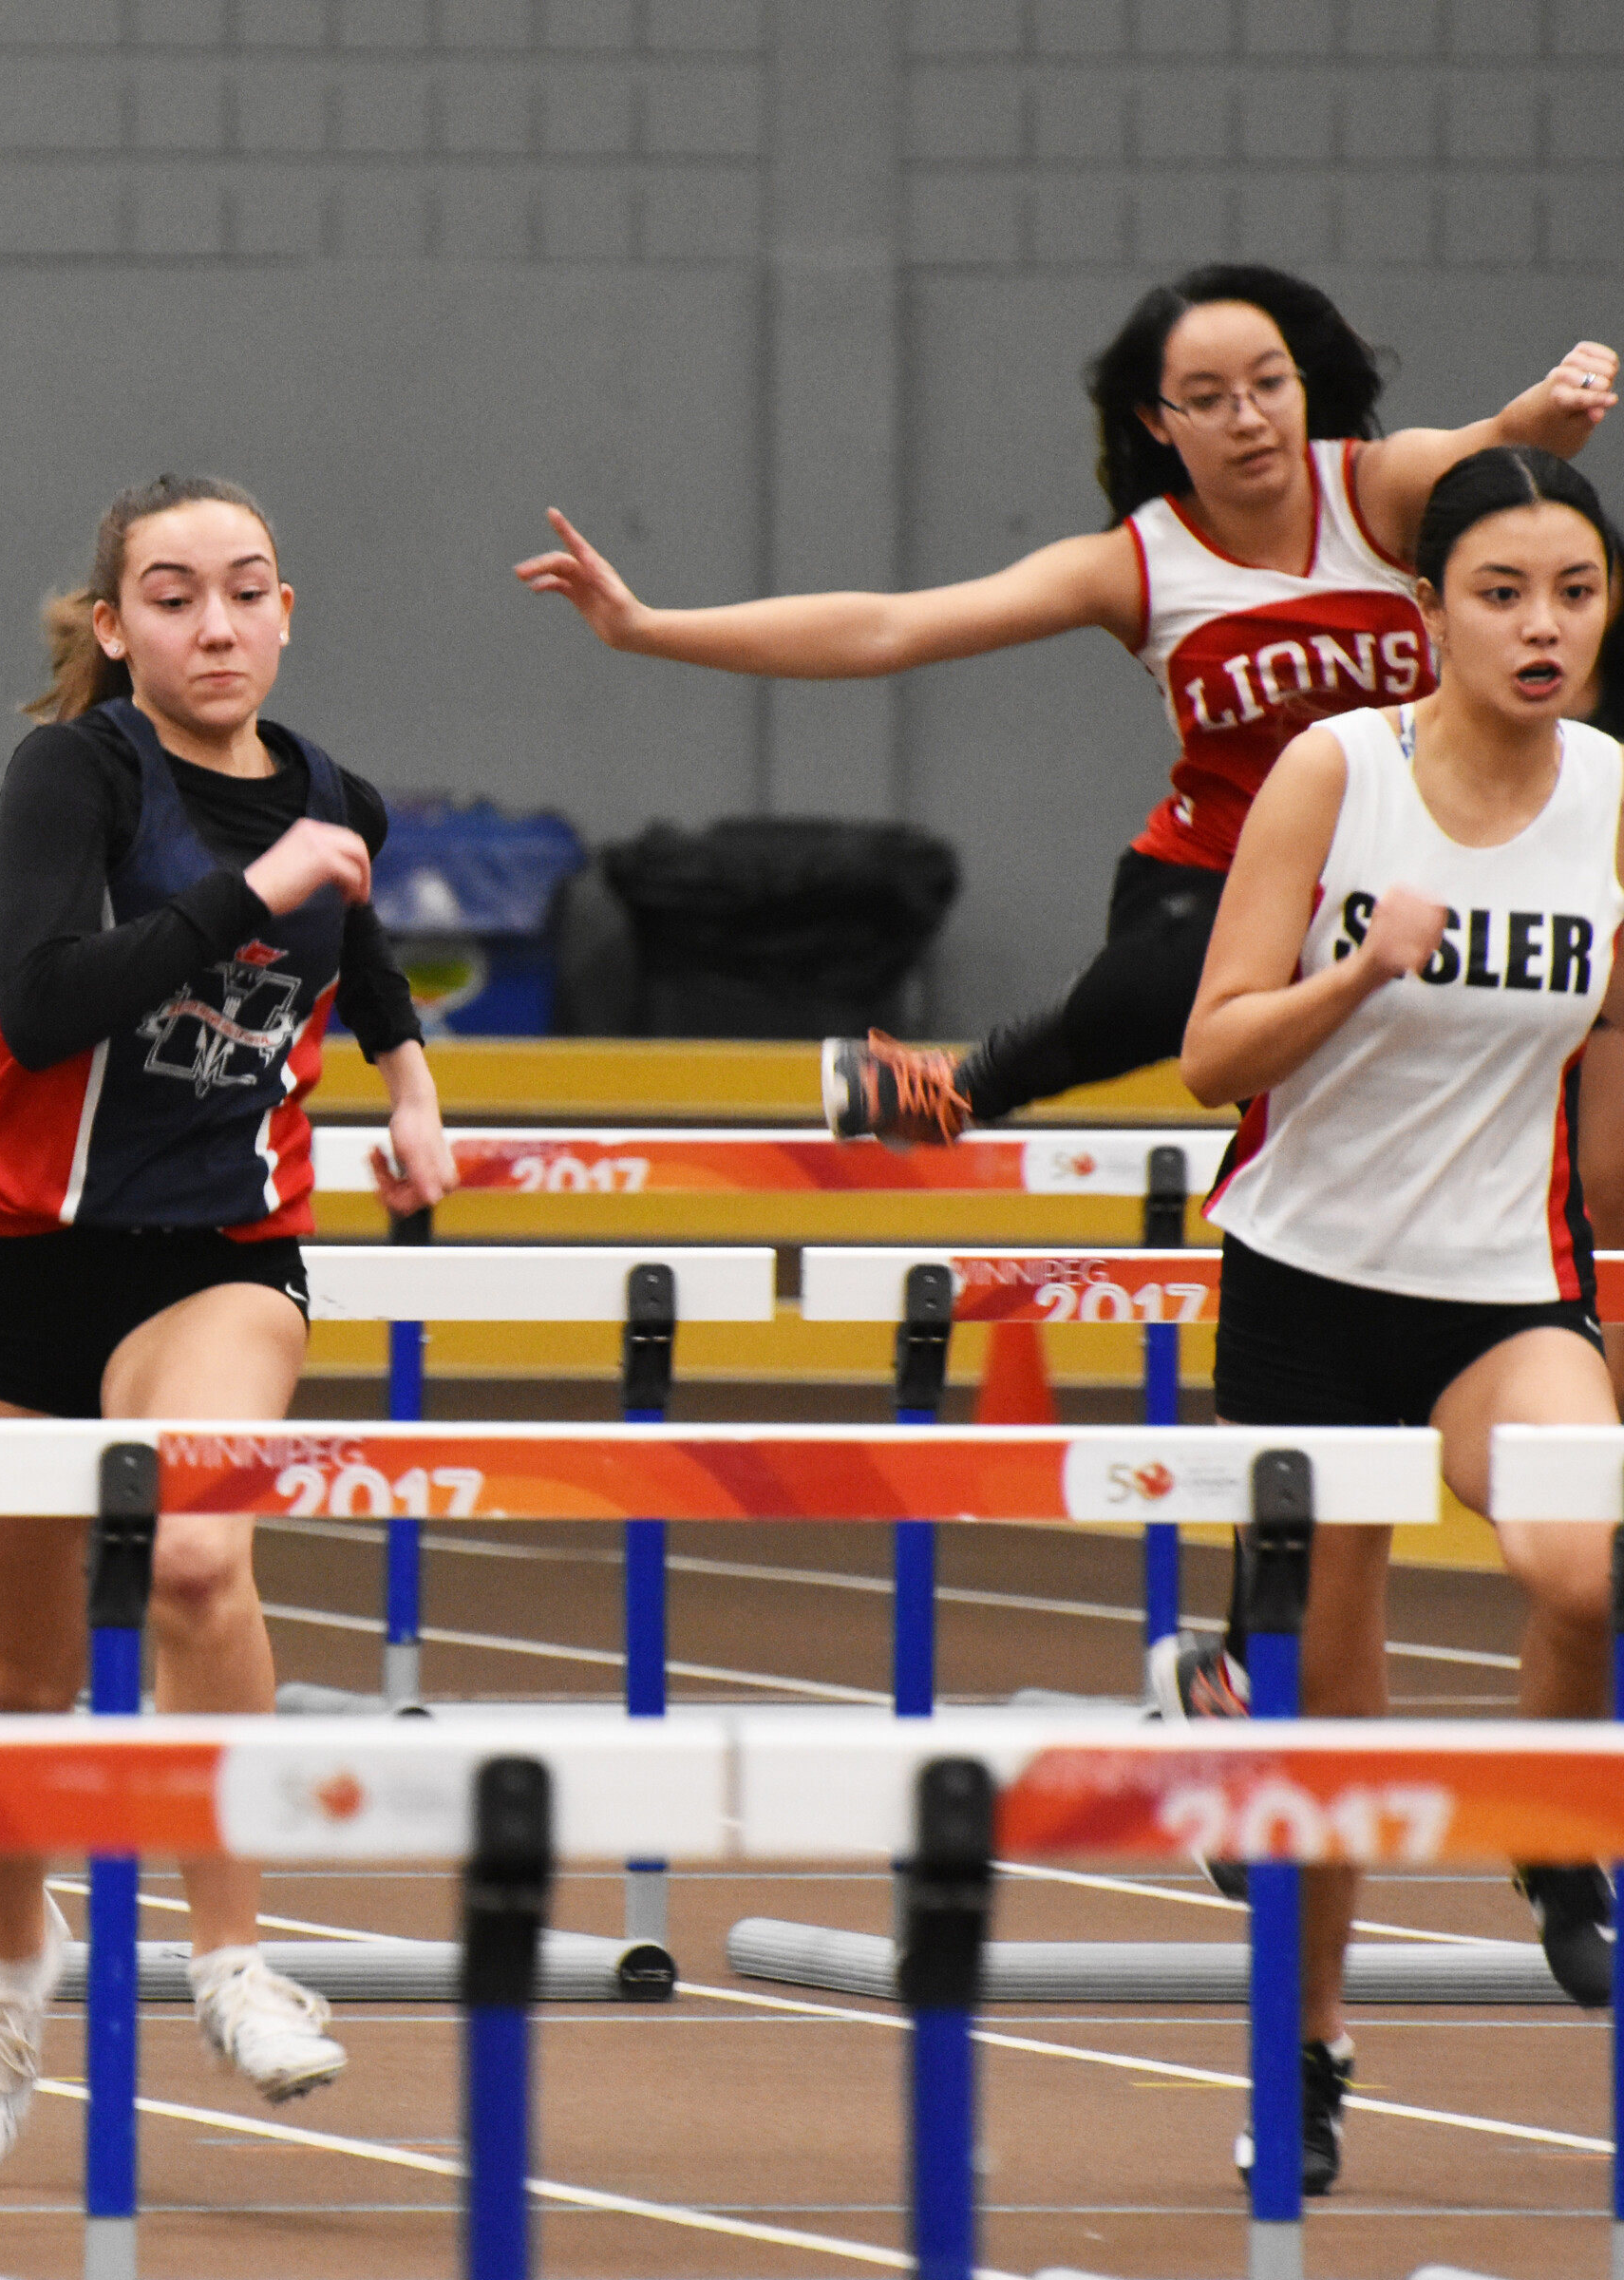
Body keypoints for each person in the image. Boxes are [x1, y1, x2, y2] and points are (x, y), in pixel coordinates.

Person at [513, 264, 1615, 1143]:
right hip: (1211, 881)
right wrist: (649, 627)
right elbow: (893, 626)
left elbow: (1503, 451)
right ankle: (965, 1086)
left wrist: (1559, 405)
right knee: (1182, 981)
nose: (1250, 419)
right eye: (1211, 400)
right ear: (1157, 421)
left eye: (1270, 384)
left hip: (1406, 881)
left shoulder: (1381, 488)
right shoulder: (1139, 565)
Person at [0, 473, 456, 2172]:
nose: (213, 624)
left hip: (218, 1254)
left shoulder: (333, 796)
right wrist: (253, 889)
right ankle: (14, 1960)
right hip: (19, 1261)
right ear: (113, 626)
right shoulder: (73, 773)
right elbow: (44, 997)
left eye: (244, 591)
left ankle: (231, 1952)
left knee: (197, 1561)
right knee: (19, 1674)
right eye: (171, 595)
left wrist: (413, 1079)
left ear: (287, 611)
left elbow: (357, 950)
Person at [1173, 446, 1623, 2195]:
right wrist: (1361, 970)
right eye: (1502, 593)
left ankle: (1555, 1840)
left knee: (1588, 1567)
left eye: (1575, 594)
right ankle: (1309, 2046)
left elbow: (1604, 1070)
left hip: (1504, 1292)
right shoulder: (1334, 770)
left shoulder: (1611, 797)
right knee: (1330, 1739)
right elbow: (1215, 1051)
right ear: (1427, 611)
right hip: (1306, 1289)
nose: (1541, 627)